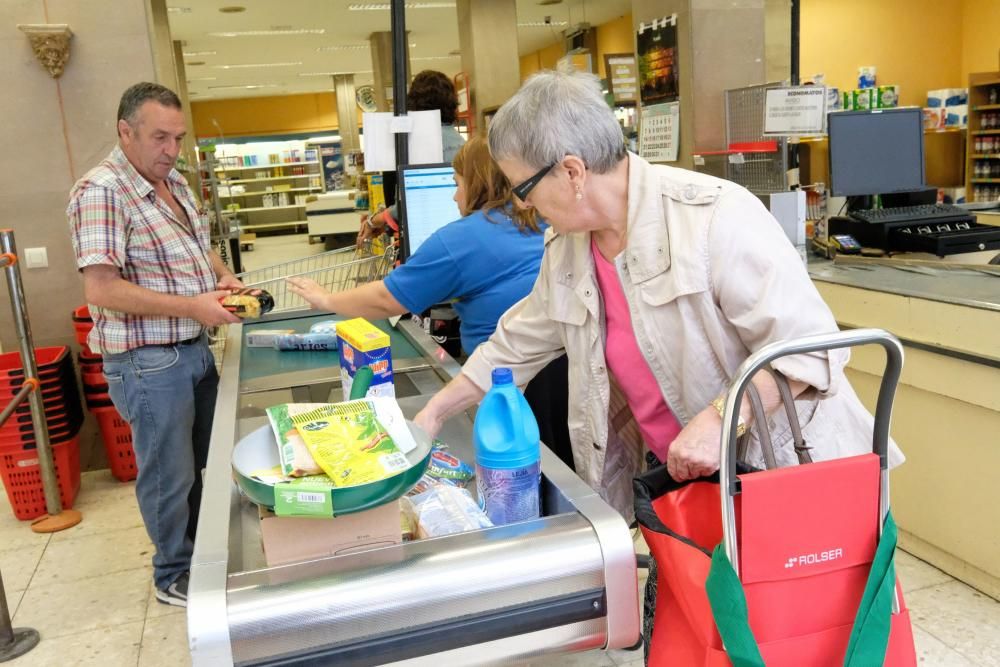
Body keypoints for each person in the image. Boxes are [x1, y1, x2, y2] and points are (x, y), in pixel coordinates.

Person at [410, 70, 904, 658]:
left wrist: (722, 416)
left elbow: (814, 347)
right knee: (707, 636)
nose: (521, 204)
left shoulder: (713, 217)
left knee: (800, 639)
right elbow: (516, 342)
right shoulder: (571, 247)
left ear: (570, 172)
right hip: (692, 494)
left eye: (523, 187)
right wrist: (431, 416)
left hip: (787, 481)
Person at [287, 135, 573, 468]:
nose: (454, 195)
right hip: (565, 374)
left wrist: (326, 298)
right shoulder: (544, 220)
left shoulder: (464, 237)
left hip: (509, 388)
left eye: (457, 183)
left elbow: (387, 299)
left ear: (477, 183)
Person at [67, 82, 243, 608]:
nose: (171, 149)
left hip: (192, 348)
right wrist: (194, 306)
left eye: (178, 137)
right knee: (170, 470)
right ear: (126, 131)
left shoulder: (175, 182)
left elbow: (197, 245)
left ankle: (202, 551)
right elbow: (101, 287)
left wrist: (224, 276)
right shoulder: (102, 190)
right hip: (148, 361)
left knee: (205, 456)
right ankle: (172, 573)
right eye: (159, 137)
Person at [357, 70, 466, 246]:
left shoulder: (411, 146)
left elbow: (411, 201)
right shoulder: (464, 146)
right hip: (458, 236)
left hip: (425, 241)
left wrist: (377, 220)